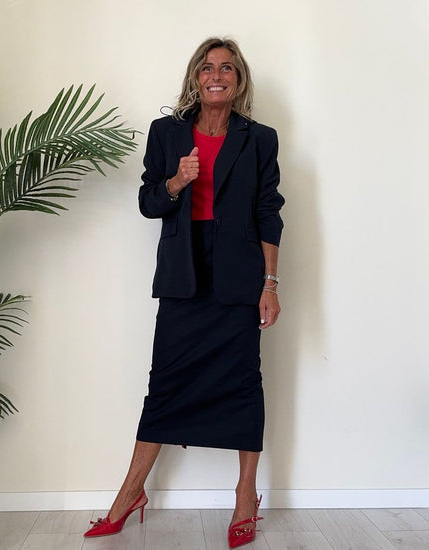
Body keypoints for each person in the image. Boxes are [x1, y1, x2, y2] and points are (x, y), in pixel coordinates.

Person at [84, 37, 284, 549]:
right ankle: (131, 492)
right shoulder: (166, 132)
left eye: (227, 68)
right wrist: (176, 181)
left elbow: (268, 211)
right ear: (195, 77)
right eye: (207, 67)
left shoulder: (259, 139)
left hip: (238, 276)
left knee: (244, 382)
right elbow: (148, 202)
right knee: (165, 384)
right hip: (184, 273)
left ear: (238, 80)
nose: (217, 75)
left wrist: (270, 283)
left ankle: (245, 495)